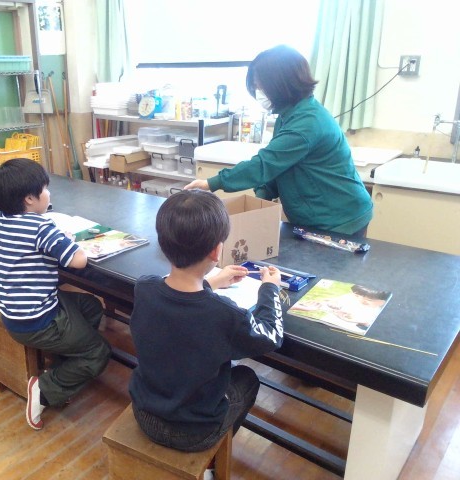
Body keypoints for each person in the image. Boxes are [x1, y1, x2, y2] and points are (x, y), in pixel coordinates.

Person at [128, 189, 284, 479]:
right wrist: (269, 288)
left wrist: (211, 281)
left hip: (145, 414)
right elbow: (272, 336)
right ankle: (213, 459)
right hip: (195, 433)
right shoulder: (224, 314)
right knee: (247, 378)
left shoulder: (144, 287)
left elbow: (181, 305)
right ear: (216, 251)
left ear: (163, 243)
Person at [185, 45, 373, 237]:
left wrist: (212, 183)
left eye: (260, 86)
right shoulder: (287, 115)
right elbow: (280, 165)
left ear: (280, 84)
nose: (258, 92)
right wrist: (262, 196)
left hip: (339, 218)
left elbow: (265, 164)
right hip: (315, 215)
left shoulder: (307, 123)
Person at [0, 158, 111, 430]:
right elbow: (78, 260)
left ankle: (64, 364)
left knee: (91, 306)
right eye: (45, 189)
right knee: (99, 352)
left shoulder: (3, 220)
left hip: (16, 312)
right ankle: (45, 389)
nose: (49, 193)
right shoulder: (40, 227)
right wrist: (64, 239)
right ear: (29, 199)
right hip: (39, 321)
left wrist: (57, 237)